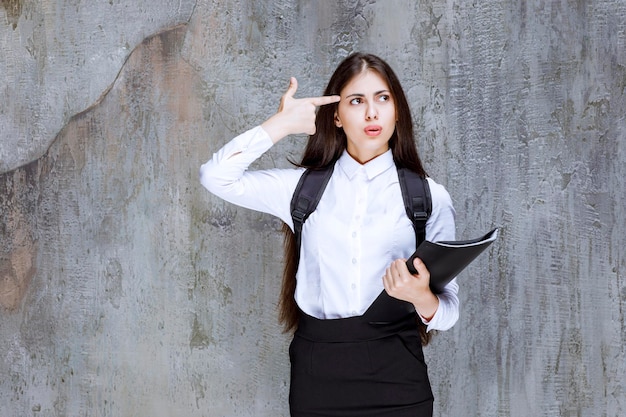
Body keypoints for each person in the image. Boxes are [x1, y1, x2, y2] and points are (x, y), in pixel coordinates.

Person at [200, 52, 459, 417]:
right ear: (335, 116)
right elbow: (215, 176)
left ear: (397, 111)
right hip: (316, 375)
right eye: (357, 101)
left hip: (397, 378)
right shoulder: (301, 190)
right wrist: (281, 124)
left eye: (383, 99)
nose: (372, 113)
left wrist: (421, 298)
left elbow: (448, 313)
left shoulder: (429, 198)